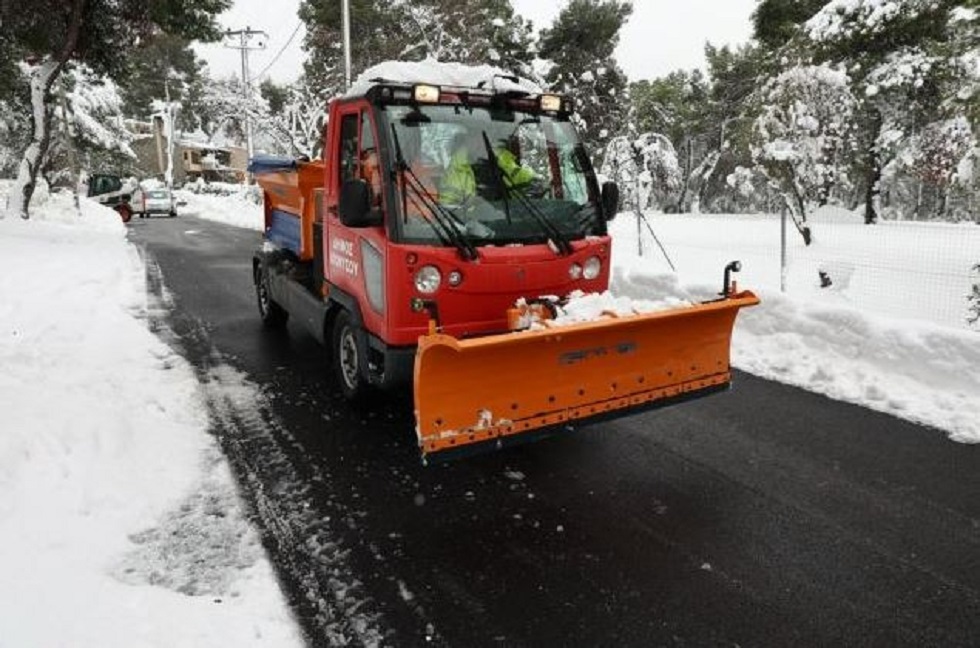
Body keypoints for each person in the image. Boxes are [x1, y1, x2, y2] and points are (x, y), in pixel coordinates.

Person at [439, 131, 542, 205]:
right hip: (477, 224)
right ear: (468, 140)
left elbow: (518, 174)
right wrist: (474, 202)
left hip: (510, 216)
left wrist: (534, 181)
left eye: (487, 138)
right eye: (478, 137)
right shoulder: (455, 171)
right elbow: (448, 205)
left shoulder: (501, 158)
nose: (483, 142)